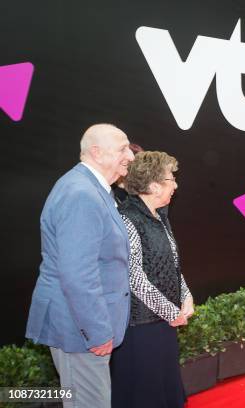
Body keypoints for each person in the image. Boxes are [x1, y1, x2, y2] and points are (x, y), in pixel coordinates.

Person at [25, 123, 135, 407]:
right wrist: (96, 332)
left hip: (81, 324)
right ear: (97, 153)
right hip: (78, 328)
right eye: (123, 148)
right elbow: (78, 275)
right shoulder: (81, 194)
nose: (131, 156)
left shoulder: (93, 189)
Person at [110, 151, 194, 408]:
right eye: (171, 179)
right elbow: (134, 278)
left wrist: (186, 295)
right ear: (154, 186)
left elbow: (172, 263)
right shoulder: (128, 219)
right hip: (140, 329)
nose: (176, 185)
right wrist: (170, 311)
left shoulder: (160, 216)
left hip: (163, 324)